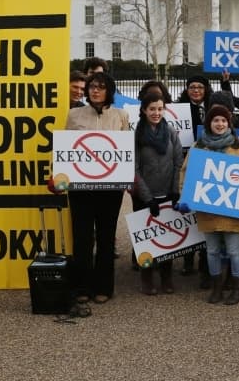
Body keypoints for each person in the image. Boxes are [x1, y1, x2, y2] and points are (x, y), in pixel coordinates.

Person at [64, 71, 130, 304]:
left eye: (100, 87)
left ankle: (104, 286)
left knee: (105, 237)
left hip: (109, 188)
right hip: (81, 187)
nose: (94, 90)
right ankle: (81, 286)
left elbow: (125, 151)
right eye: (92, 86)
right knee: (81, 237)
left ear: (109, 90)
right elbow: (67, 149)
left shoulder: (121, 116)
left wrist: (125, 179)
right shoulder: (74, 115)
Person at [178, 105, 239, 305]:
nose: (220, 124)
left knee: (234, 249)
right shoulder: (198, 147)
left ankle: (237, 288)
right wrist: (184, 196)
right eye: (216, 120)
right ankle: (216, 287)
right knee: (212, 250)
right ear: (209, 123)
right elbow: (185, 171)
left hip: (232, 210)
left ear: (229, 123)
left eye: (224, 120)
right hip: (207, 208)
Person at [132, 93, 184, 295]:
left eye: (160, 109)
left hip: (167, 192)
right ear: (144, 110)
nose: (156, 113)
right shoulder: (137, 134)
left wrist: (174, 190)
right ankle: (146, 278)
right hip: (145, 195)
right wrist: (147, 197)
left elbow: (178, 161)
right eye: (152, 109)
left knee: (167, 237)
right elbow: (134, 168)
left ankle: (166, 277)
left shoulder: (170, 131)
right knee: (145, 239)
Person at [176, 75, 213, 280]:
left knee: (205, 214)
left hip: (207, 163)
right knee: (188, 213)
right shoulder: (179, 109)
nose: (196, 90)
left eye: (200, 87)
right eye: (192, 87)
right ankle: (188, 259)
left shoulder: (212, 107)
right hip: (186, 161)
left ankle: (204, 260)